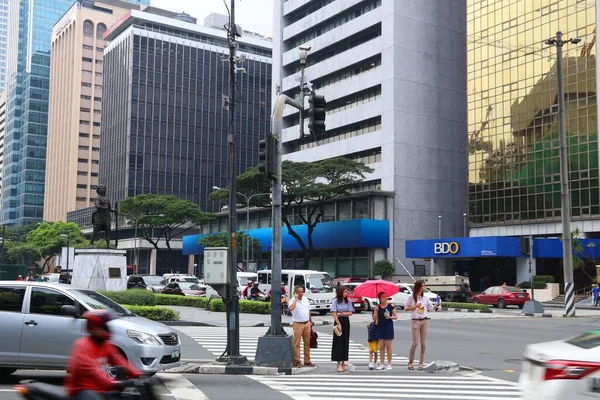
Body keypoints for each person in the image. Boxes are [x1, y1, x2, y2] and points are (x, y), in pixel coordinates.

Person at [65, 310, 142, 399]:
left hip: (99, 389)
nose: (107, 328)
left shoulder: (105, 344)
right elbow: (94, 373)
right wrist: (116, 384)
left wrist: (138, 374)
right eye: (104, 326)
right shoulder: (82, 346)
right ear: (95, 328)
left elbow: (118, 360)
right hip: (81, 390)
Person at [405, 280, 435, 371]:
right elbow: (406, 308)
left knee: (423, 343)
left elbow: (431, 309)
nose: (423, 288)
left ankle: (421, 363)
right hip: (416, 321)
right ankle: (410, 362)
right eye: (422, 286)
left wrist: (435, 305)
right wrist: (415, 307)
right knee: (415, 343)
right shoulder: (411, 298)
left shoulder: (425, 298)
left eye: (424, 286)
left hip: (425, 321)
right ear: (418, 287)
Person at [288, 285, 313, 368]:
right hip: (298, 324)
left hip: (307, 323)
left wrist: (310, 321)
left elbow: (308, 310)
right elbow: (291, 308)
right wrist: (295, 299)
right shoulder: (292, 301)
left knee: (307, 343)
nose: (301, 293)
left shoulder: (306, 300)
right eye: (299, 292)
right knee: (297, 344)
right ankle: (297, 360)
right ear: (295, 293)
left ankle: (307, 360)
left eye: (302, 292)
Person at [331, 286, 355, 372]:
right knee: (338, 342)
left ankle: (343, 362)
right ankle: (338, 363)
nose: (346, 293)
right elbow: (334, 313)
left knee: (345, 341)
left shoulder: (348, 301)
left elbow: (350, 313)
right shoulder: (335, 301)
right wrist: (338, 323)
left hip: (346, 322)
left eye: (347, 292)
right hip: (338, 322)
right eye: (344, 292)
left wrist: (341, 313)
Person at [373, 291, 397, 371]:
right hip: (380, 327)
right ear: (379, 298)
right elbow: (374, 318)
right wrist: (376, 310)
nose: (385, 298)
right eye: (383, 297)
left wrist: (390, 317)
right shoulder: (377, 307)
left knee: (388, 346)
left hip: (388, 327)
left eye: (386, 296)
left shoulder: (391, 306)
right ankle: (382, 363)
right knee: (381, 347)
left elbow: (396, 316)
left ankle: (389, 363)